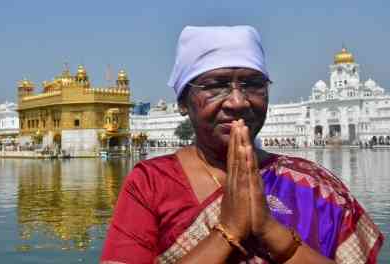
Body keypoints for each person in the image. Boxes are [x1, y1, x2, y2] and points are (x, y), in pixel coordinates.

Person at [101, 26, 383, 264]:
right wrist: (228, 230)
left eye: (252, 84)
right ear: (183, 103)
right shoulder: (152, 184)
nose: (237, 101)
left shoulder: (314, 185)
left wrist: (270, 230)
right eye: (216, 85)